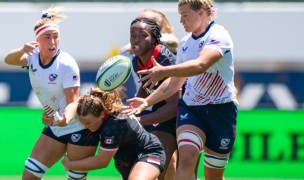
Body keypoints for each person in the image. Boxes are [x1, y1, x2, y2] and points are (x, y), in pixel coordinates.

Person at [122, 0, 238, 180]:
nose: (182, 21)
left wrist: (163, 71)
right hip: (191, 110)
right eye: (180, 16)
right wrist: (147, 102)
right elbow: (175, 83)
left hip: (221, 110)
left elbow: (200, 65)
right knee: (187, 157)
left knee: (213, 176)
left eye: (185, 16)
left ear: (201, 13)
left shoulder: (219, 35)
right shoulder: (185, 43)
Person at [4, 6, 99, 180]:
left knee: (75, 178)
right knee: (29, 176)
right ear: (37, 40)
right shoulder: (32, 57)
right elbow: (8, 60)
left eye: (56, 37)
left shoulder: (66, 64)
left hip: (79, 125)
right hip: (55, 125)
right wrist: (21, 50)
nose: (53, 42)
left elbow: (73, 102)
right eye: (47, 37)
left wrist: (64, 120)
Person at [61, 87, 166, 180]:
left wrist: (70, 164)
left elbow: (102, 161)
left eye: (88, 122)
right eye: (82, 122)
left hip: (148, 151)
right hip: (125, 161)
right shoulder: (99, 113)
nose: (85, 126)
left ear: (102, 114)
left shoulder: (114, 125)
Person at [129, 17, 180, 180]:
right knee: (158, 169)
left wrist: (139, 119)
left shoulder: (165, 60)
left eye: (142, 35)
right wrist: (132, 110)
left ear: (153, 40)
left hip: (188, 118)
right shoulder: (136, 61)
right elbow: (147, 87)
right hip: (165, 120)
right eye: (132, 34)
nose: (136, 39)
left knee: (187, 174)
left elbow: (174, 107)